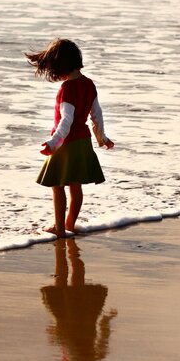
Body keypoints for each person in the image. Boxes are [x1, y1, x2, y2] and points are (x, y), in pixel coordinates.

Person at [25, 38, 114, 237]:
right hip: (83, 142)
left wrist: (52, 143)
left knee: (57, 186)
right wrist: (103, 138)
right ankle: (70, 224)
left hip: (66, 144)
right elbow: (96, 115)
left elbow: (66, 121)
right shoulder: (89, 84)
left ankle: (59, 228)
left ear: (60, 64)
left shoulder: (67, 89)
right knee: (75, 186)